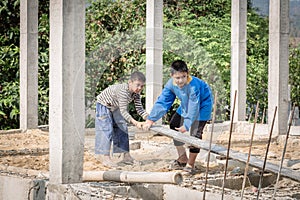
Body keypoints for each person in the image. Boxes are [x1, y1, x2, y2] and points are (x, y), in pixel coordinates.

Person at [142, 60, 213, 174]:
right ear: (172, 76)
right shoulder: (170, 84)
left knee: (195, 134)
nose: (180, 81)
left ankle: (190, 164)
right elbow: (163, 101)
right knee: (174, 124)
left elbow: (194, 106)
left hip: (202, 106)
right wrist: (151, 119)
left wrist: (187, 124)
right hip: (185, 104)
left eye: (183, 77)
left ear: (187, 74)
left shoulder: (193, 86)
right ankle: (182, 157)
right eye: (177, 78)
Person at [95, 71, 148, 168]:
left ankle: (126, 156)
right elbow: (124, 111)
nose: (139, 88)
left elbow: (139, 109)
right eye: (137, 85)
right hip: (104, 105)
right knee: (106, 130)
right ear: (130, 82)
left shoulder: (136, 94)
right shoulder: (123, 91)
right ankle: (105, 157)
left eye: (142, 86)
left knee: (122, 128)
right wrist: (136, 123)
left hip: (115, 107)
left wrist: (148, 119)